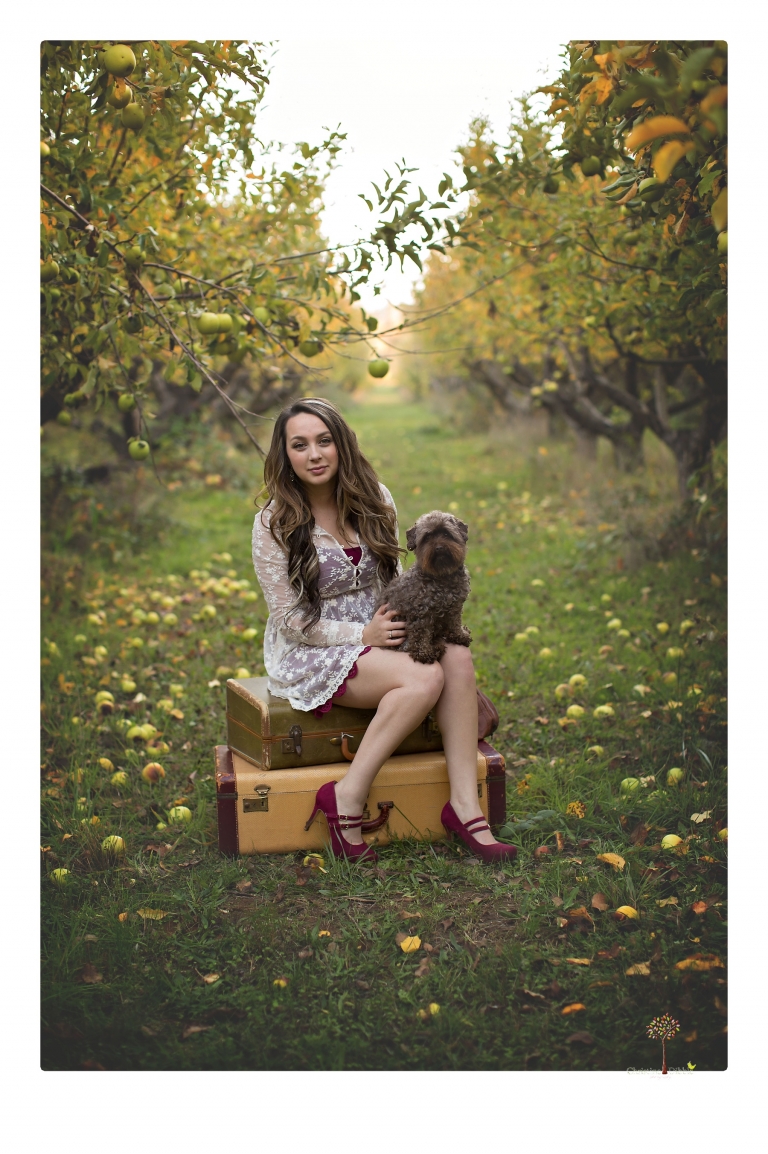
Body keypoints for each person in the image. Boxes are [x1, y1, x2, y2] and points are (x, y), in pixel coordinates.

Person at [252, 397, 515, 864]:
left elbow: (394, 580)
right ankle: (347, 797)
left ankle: (465, 807)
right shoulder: (273, 522)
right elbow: (290, 619)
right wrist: (361, 637)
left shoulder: (375, 497)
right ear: (285, 454)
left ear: (342, 445)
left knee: (456, 658)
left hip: (384, 624)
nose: (314, 454)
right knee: (425, 677)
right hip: (314, 645)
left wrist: (412, 630)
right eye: (300, 444)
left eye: (324, 441)